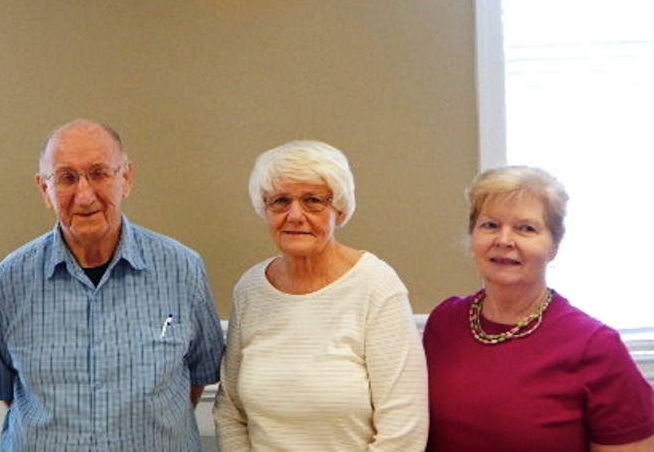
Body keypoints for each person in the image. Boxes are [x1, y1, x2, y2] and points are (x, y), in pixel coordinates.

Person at [0, 118, 225, 451]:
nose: (84, 195)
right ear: (44, 189)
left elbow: (200, 375)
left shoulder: (183, 270)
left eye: (98, 173)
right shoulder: (6, 283)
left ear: (126, 178)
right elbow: (4, 389)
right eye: (66, 178)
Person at [213, 140, 428, 451]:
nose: (295, 215)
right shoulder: (250, 290)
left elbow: (403, 428)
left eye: (313, 200)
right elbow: (230, 410)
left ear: (339, 209)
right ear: (264, 209)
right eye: (280, 201)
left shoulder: (376, 285)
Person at [424, 165, 654, 451]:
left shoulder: (594, 346)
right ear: (473, 236)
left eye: (526, 228)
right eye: (491, 225)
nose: (504, 240)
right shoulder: (445, 322)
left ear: (554, 245)